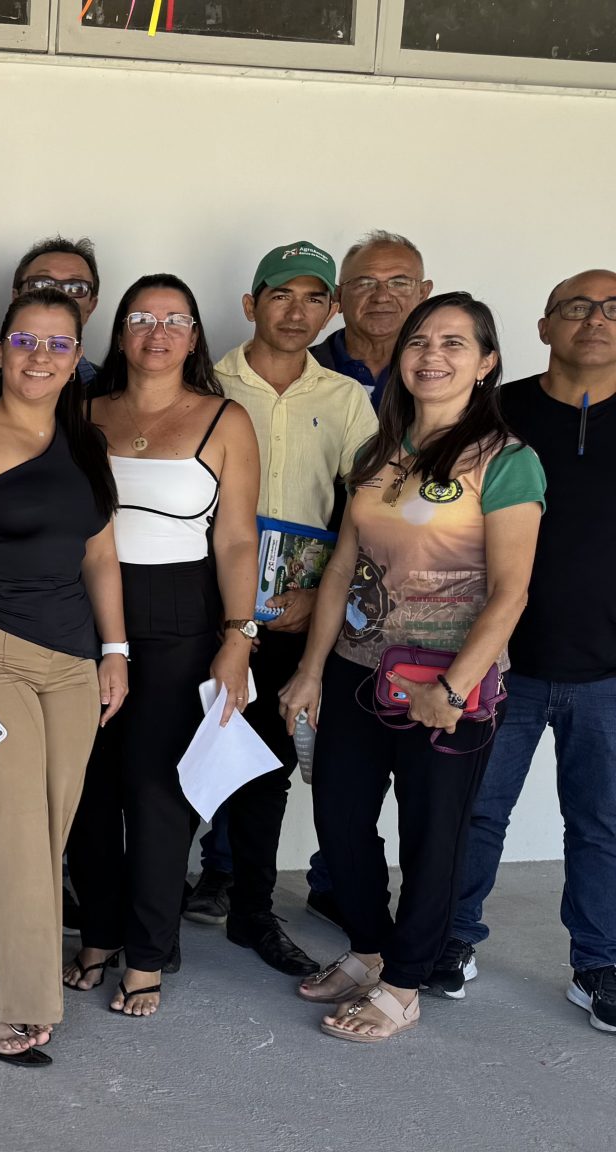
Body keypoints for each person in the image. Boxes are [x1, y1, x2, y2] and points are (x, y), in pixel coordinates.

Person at [280, 292, 544, 1043]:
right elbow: (341, 568)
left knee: (433, 836)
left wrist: (452, 689)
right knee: (339, 820)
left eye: (454, 343)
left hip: (450, 683)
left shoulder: (507, 461)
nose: (432, 355)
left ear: (487, 362)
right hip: (358, 669)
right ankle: (368, 950)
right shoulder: (379, 450)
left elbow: (512, 591)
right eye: (421, 342)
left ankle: (403, 983)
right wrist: (310, 669)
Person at [0, 288, 126, 1066]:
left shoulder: (85, 444)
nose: (41, 356)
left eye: (58, 344)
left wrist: (115, 651)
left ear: (78, 359)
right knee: (4, 824)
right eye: (25, 341)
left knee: (45, 830)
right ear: (0, 352)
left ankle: (23, 987)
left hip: (71, 662)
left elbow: (99, 555)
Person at [62, 275, 260, 1016]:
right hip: (82, 613)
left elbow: (237, 539)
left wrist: (239, 636)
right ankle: (99, 932)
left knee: (157, 791)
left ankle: (147, 952)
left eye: (175, 319)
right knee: (87, 786)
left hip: (183, 616)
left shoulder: (225, 419)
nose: (158, 331)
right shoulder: (80, 409)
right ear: (119, 333)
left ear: (194, 336)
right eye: (142, 317)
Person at [441, 271, 616, 1031]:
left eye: (613, 309)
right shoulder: (494, 413)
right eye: (577, 307)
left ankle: (600, 963)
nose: (595, 320)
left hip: (608, 669)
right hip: (499, 660)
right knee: (475, 812)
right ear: (544, 326)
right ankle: (450, 938)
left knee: (602, 823)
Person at [203, 242, 376, 980]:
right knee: (168, 752)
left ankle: (252, 910)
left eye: (313, 298)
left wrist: (322, 593)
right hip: (200, 598)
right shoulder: (205, 380)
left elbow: (371, 509)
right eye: (281, 294)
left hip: (290, 606)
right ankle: (149, 909)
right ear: (252, 304)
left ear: (331, 310)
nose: (296, 311)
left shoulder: (346, 398)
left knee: (265, 763)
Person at [311, 231, 434, 405]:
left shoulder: (446, 371)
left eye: (399, 284)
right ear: (338, 296)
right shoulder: (296, 369)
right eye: (365, 284)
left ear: (423, 294)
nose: (381, 297)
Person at [0, 237, 104, 398]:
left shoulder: (107, 388)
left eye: (75, 287)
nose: (58, 294)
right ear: (16, 297)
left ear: (91, 306)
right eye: (41, 284)